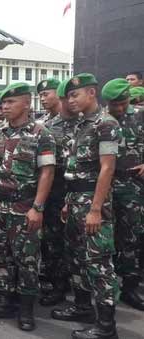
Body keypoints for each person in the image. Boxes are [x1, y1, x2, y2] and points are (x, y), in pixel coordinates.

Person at [0, 82, 56, 331]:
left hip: (24, 208)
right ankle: (3, 301)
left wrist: (38, 207)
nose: (5, 107)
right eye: (3, 103)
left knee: (27, 260)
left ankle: (26, 310)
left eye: (10, 102)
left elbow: (47, 172)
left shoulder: (41, 134)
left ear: (27, 104)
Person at [51, 74, 121, 339]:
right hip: (76, 200)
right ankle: (82, 307)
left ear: (91, 93)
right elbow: (74, 167)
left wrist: (95, 209)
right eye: (68, 96)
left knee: (98, 262)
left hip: (94, 203)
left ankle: (106, 327)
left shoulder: (106, 124)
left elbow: (107, 168)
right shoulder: (81, 124)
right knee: (77, 258)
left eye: (75, 95)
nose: (71, 100)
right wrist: (70, 202)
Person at [101, 78, 144, 312]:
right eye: (113, 104)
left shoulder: (140, 115)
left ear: (129, 98)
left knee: (131, 238)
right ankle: (105, 288)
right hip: (104, 186)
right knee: (104, 238)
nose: (117, 108)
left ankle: (130, 287)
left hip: (132, 187)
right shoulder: (101, 120)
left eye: (122, 103)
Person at [39, 78, 78, 307]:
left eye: (49, 94)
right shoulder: (47, 127)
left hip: (79, 191)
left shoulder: (87, 124)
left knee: (77, 242)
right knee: (53, 240)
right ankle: (58, 284)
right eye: (66, 98)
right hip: (55, 192)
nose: (69, 102)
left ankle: (80, 289)